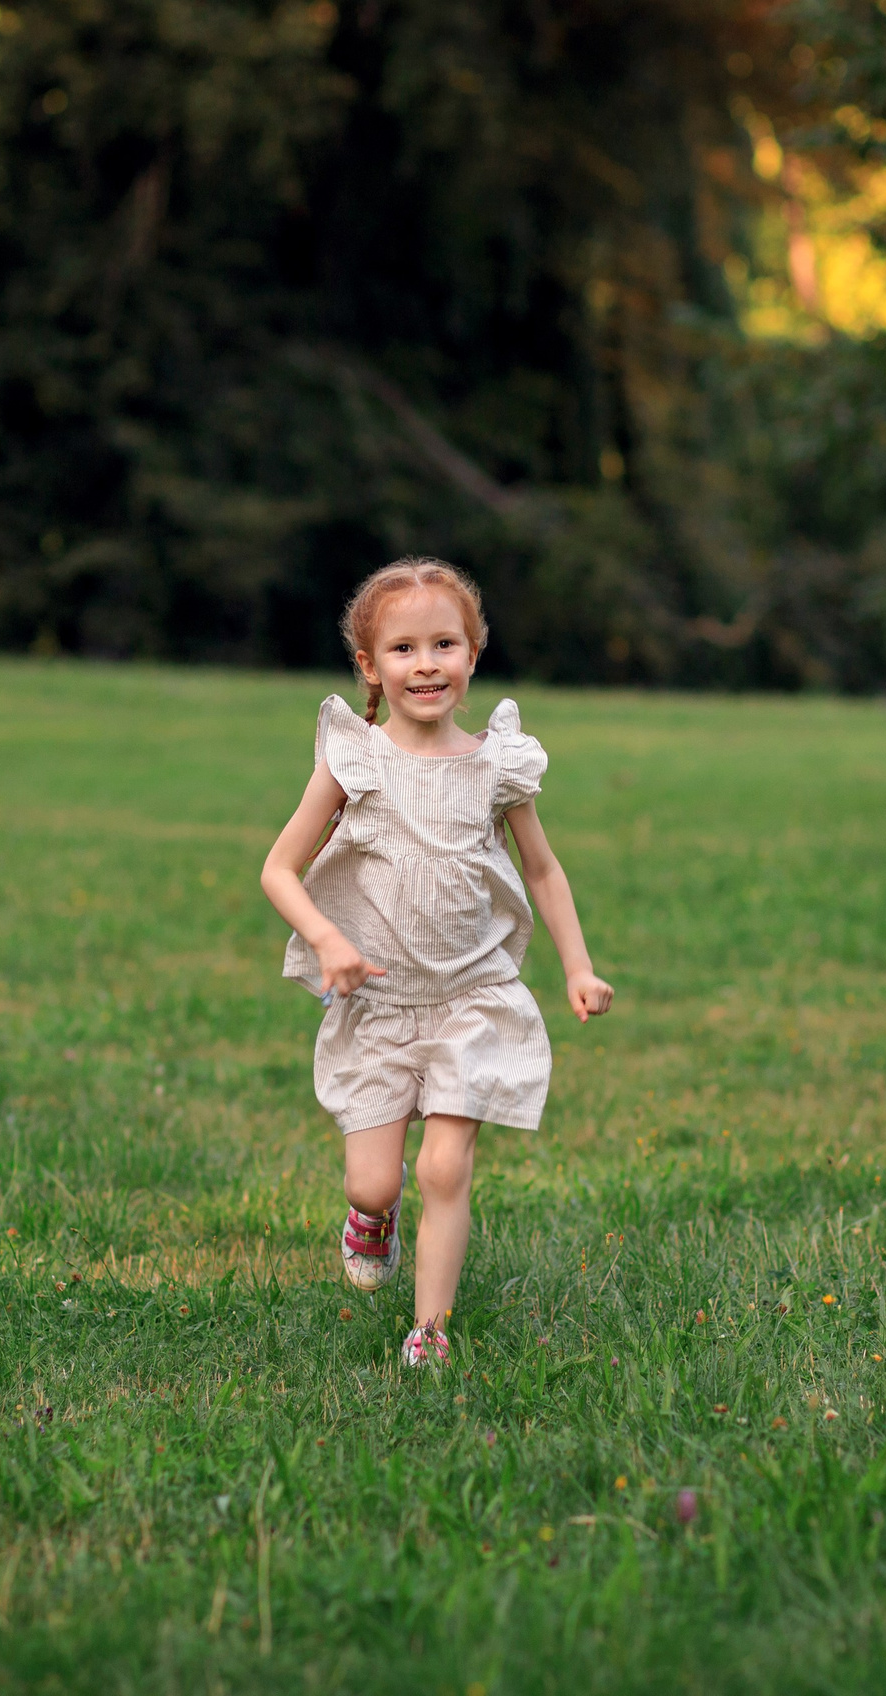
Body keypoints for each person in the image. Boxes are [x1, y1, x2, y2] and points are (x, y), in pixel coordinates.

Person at [259, 558, 614, 1368]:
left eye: (444, 644)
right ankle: (369, 1219)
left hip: (473, 997)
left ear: (474, 653)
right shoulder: (354, 761)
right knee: (375, 1183)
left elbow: (544, 873)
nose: (426, 664)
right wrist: (327, 938)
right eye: (404, 649)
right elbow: (278, 868)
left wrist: (577, 968)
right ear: (370, 667)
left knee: (445, 1167)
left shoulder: (500, 764)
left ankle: (431, 1331)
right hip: (380, 1004)